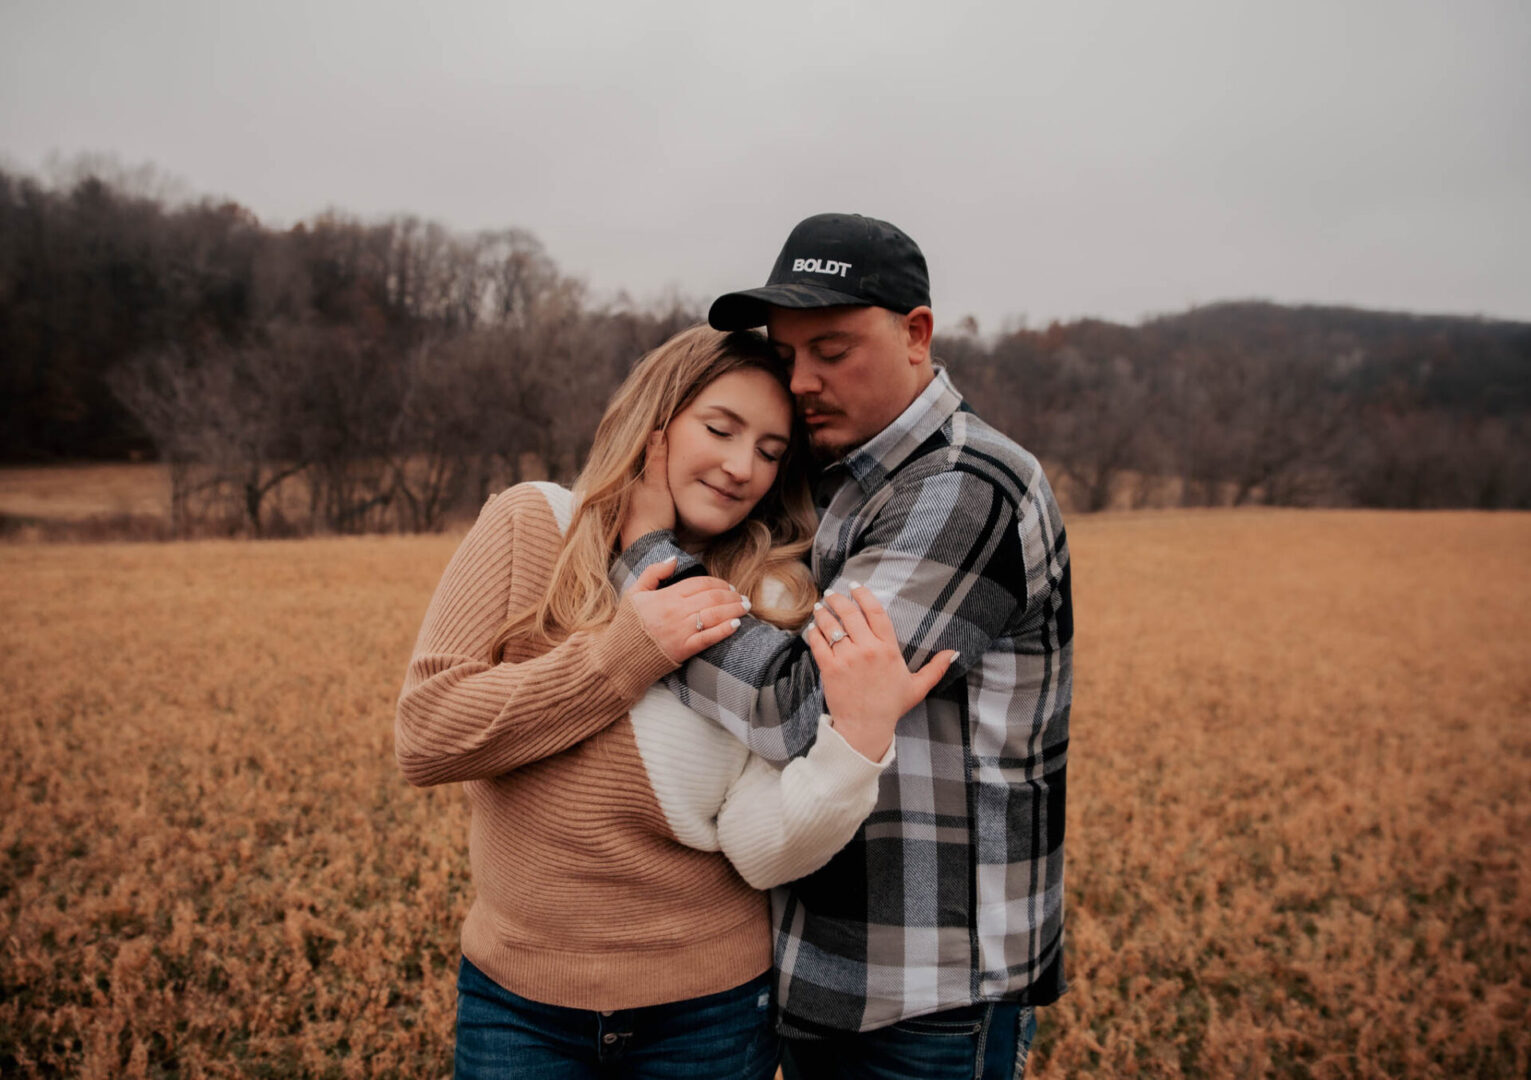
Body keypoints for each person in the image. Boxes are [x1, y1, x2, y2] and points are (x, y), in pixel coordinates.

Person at [395, 324, 954, 1078]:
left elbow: (759, 848)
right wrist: (629, 651)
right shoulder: (533, 524)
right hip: (518, 1004)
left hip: (708, 1016)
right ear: (653, 425)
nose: (739, 468)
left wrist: (851, 749)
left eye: (768, 451)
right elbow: (428, 734)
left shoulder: (774, 591)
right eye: (719, 428)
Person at [612, 214, 1073, 1079]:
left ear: (915, 333)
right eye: (788, 356)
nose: (803, 380)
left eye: (830, 349)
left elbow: (801, 708)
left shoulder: (964, 489)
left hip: (924, 988)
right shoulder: (837, 480)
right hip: (815, 963)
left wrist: (644, 557)